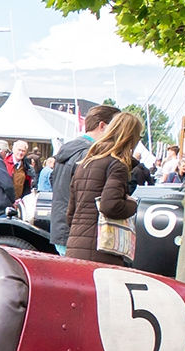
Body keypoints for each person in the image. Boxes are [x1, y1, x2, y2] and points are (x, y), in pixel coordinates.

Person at [66, 112, 143, 266]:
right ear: (131, 138)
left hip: (74, 247)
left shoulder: (84, 163)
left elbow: (70, 215)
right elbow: (110, 206)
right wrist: (132, 205)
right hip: (102, 251)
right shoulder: (117, 165)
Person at [50, 104, 119, 254]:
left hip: (62, 227)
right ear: (102, 126)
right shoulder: (90, 154)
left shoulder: (67, 149)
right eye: (115, 128)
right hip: (79, 232)